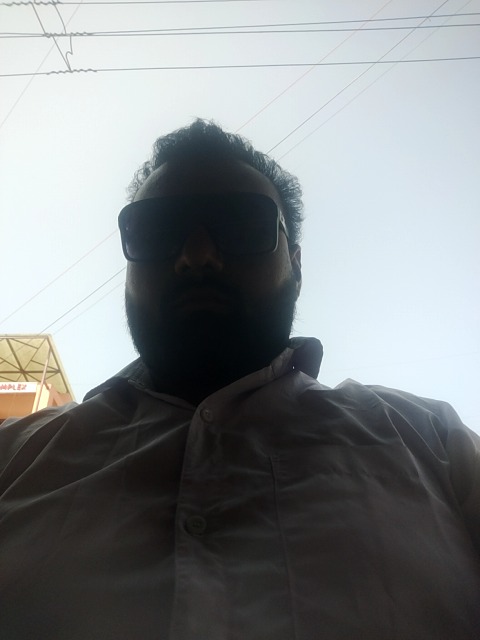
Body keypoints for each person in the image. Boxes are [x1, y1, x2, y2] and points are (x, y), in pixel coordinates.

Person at [0, 119, 479, 640]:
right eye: (157, 230)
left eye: (241, 224)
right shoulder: (14, 456)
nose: (196, 256)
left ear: (296, 265)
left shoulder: (433, 441)